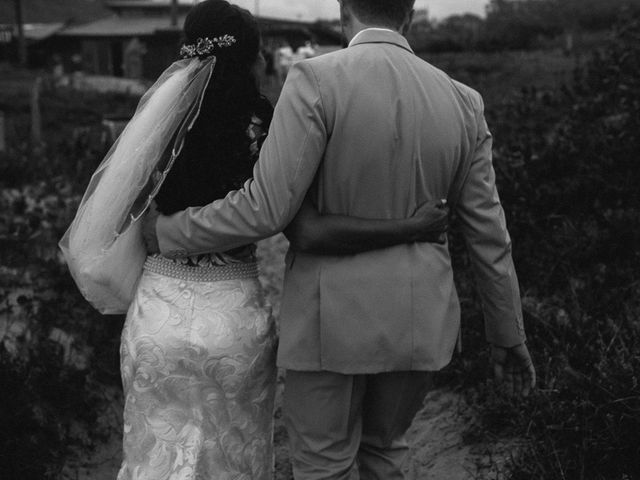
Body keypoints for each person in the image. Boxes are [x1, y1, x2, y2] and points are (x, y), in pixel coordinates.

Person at [144, 0, 536, 478]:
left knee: (322, 465)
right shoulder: (464, 101)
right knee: (387, 453)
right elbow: (490, 235)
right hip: (420, 320)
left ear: (342, 9)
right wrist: (507, 334)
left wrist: (168, 231)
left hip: (330, 324)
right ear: (409, 15)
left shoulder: (314, 81)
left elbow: (268, 207)